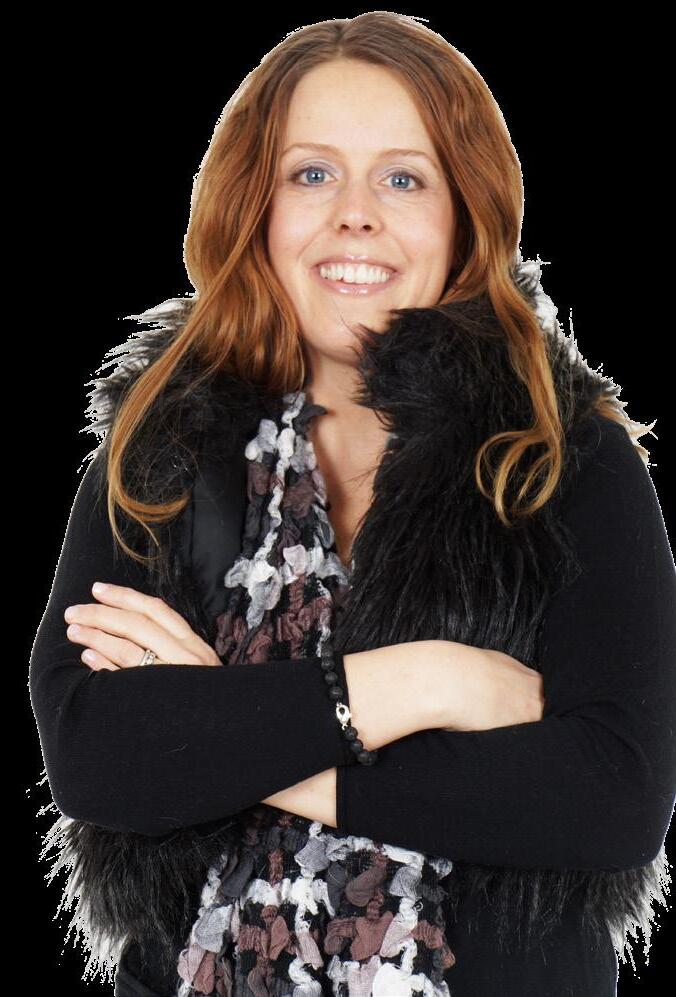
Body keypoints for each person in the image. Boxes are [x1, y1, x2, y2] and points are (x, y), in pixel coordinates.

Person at [29, 13, 676, 997]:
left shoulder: (564, 456)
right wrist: (428, 680)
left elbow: (608, 798)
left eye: (404, 178)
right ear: (257, 208)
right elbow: (96, 755)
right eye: (312, 173)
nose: (356, 215)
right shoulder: (162, 453)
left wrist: (230, 736)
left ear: (464, 215)